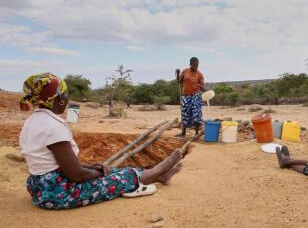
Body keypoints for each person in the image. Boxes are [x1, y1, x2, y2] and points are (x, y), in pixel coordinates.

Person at [19, 73, 184, 210]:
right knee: (122, 175)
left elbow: (55, 163)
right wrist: (98, 173)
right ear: (59, 99)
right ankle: (159, 170)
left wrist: (89, 167)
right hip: (59, 192)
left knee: (111, 170)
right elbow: (77, 175)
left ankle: (160, 176)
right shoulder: (53, 127)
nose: (68, 99)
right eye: (66, 95)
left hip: (39, 187)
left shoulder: (33, 121)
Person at [179, 57, 207, 137]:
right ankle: (183, 132)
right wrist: (178, 75)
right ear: (190, 64)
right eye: (194, 65)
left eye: (197, 65)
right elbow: (179, 81)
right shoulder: (185, 71)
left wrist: (207, 92)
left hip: (195, 95)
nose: (195, 67)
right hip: (185, 96)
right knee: (185, 113)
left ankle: (196, 133)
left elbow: (202, 86)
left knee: (196, 113)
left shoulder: (200, 74)